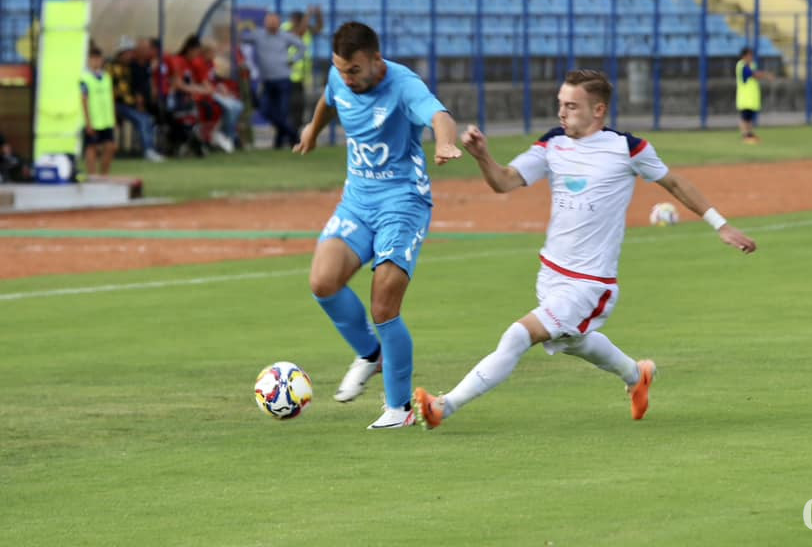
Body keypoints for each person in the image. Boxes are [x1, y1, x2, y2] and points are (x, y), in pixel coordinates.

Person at [413, 69, 757, 430]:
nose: (562, 112)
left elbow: (674, 183)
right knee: (575, 342)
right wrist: (483, 156)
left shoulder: (627, 148)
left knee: (518, 335)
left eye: (572, 106)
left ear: (598, 110)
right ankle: (636, 375)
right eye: (560, 104)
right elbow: (504, 181)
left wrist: (721, 224)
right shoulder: (553, 143)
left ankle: (443, 406)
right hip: (551, 273)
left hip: (590, 283)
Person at [292, 21, 461, 430]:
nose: (347, 78)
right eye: (341, 69)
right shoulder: (339, 78)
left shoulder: (404, 85)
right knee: (323, 282)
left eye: (354, 70)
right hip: (357, 201)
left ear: (375, 61)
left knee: (384, 304)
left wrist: (445, 142)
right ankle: (372, 354)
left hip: (402, 203)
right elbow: (329, 100)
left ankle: (399, 409)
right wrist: (313, 131)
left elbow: (439, 115)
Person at [242, 13, 306, 148]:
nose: (271, 24)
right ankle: (294, 136)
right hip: (267, 81)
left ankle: (279, 143)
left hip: (283, 80)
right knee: (264, 110)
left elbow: (302, 46)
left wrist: (293, 60)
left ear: (278, 23)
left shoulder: (285, 36)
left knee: (282, 112)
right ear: (265, 23)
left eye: (274, 22)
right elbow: (241, 39)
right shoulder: (258, 35)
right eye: (269, 22)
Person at [111, 36, 164, 162]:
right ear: (121, 53)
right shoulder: (112, 67)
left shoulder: (131, 67)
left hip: (129, 104)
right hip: (118, 104)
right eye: (128, 53)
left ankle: (149, 148)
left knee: (148, 119)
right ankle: (148, 150)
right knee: (143, 120)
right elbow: (117, 91)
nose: (131, 56)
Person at [281, 7, 323, 134]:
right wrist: (308, 16)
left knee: (300, 106)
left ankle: (295, 131)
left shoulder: (306, 28)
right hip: (287, 74)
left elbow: (318, 29)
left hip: (303, 76)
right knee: (288, 106)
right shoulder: (286, 28)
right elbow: (299, 33)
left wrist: (319, 15)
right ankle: (286, 131)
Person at [81, 45, 118, 176]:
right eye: (93, 59)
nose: (96, 61)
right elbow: (83, 100)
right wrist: (88, 122)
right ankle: (92, 175)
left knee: (110, 146)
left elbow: (110, 99)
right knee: (92, 147)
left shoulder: (106, 77)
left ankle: (104, 175)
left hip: (106, 119)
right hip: (93, 119)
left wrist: (113, 118)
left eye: (98, 58)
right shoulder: (84, 78)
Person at [735, 47, 775, 144]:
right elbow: (753, 74)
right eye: (749, 55)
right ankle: (745, 136)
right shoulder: (741, 65)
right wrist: (766, 75)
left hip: (751, 98)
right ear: (744, 56)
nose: (751, 57)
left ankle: (750, 134)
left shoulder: (752, 65)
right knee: (745, 117)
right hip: (744, 98)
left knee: (749, 118)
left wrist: (763, 75)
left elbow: (755, 75)